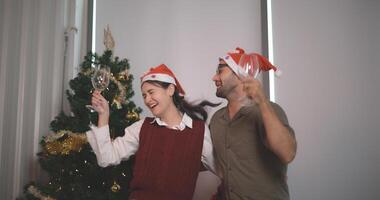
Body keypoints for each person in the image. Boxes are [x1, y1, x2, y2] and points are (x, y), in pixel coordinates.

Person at [86, 64, 218, 200]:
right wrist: (103, 114)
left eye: (151, 92)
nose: (147, 100)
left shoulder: (199, 132)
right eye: (144, 95)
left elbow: (226, 172)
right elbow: (106, 158)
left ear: (170, 90)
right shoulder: (142, 127)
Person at [209, 48, 297, 200]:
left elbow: (287, 153)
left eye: (220, 71)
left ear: (239, 74)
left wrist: (262, 101)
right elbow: (223, 169)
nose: (214, 77)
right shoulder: (217, 119)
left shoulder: (270, 111)